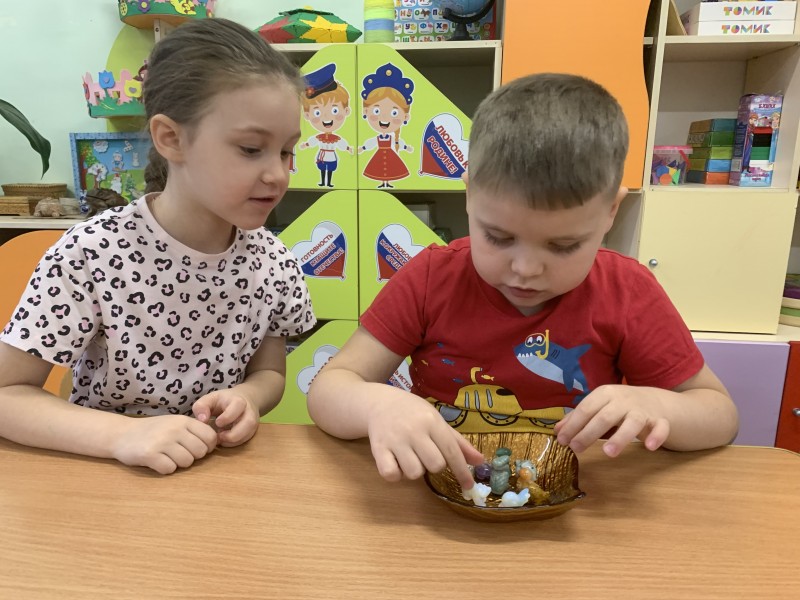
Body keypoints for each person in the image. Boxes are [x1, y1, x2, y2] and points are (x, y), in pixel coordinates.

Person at [307, 73, 739, 491]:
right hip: (440, 501)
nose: (526, 269)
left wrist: (656, 404)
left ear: (611, 211)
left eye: (564, 245)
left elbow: (720, 415)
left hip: (577, 509)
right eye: (498, 237)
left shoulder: (628, 292)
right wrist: (377, 405)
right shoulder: (429, 278)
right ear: (469, 195)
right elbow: (329, 388)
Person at [0, 18, 316, 474]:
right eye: (251, 149)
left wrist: (247, 397)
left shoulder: (275, 263)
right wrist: (122, 436)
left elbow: (269, 373)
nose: (278, 175)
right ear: (171, 138)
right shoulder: (91, 254)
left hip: (217, 478)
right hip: (105, 475)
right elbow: (8, 395)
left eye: (287, 151)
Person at [358, 63, 415, 189]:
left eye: (394, 113)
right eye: (376, 111)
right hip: (380, 155)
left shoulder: (393, 138)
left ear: (405, 117)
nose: (384, 118)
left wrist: (406, 147)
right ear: (365, 111)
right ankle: (383, 183)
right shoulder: (379, 138)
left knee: (389, 170)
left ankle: (387, 183)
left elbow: (399, 142)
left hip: (390, 155)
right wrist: (363, 148)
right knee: (380, 170)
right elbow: (371, 143)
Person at [298, 63, 354, 188]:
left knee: (331, 169)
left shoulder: (336, 139)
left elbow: (341, 143)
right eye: (317, 112)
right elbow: (313, 141)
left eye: (334, 110)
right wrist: (306, 144)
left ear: (346, 111)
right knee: (323, 169)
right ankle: (324, 182)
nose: (326, 118)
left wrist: (347, 148)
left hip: (331, 156)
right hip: (322, 157)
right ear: (307, 115)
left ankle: (328, 182)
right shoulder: (319, 138)